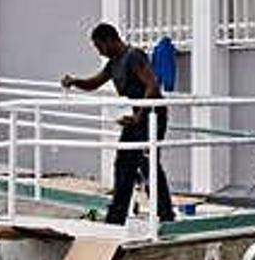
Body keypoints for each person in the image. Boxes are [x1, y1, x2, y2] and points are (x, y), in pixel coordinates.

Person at [61, 22, 175, 225]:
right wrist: (75, 81)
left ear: (110, 40)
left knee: (148, 164)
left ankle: (165, 214)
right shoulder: (114, 63)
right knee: (124, 163)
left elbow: (153, 86)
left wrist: (140, 115)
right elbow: (94, 83)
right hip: (135, 119)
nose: (100, 52)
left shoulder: (134, 56)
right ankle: (116, 216)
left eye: (99, 46)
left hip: (152, 115)